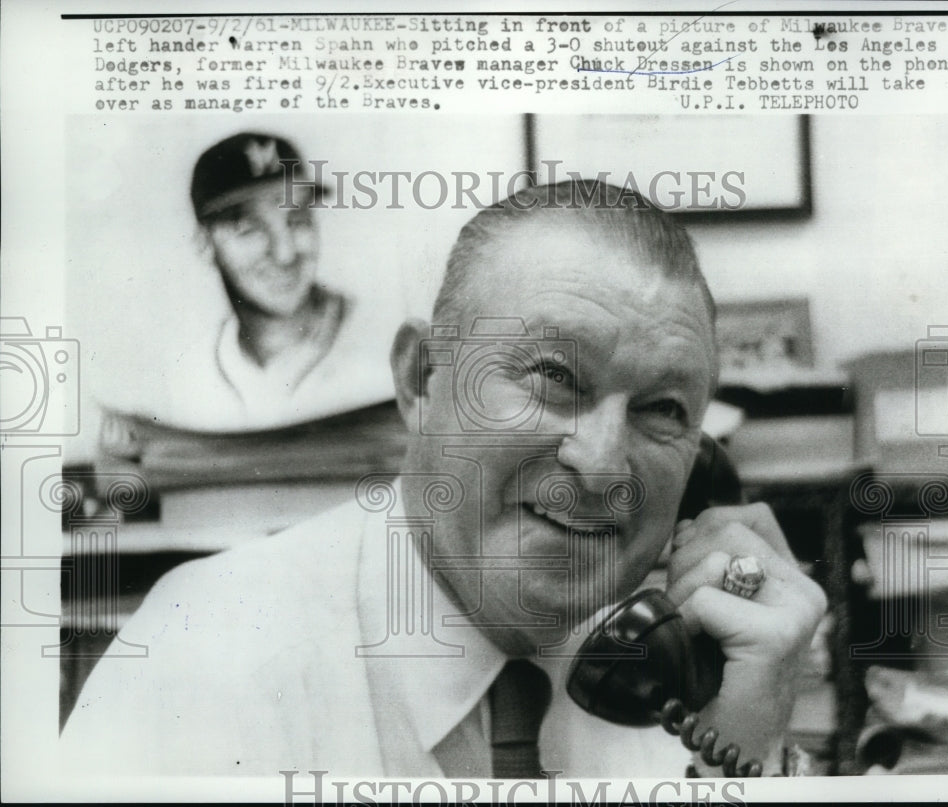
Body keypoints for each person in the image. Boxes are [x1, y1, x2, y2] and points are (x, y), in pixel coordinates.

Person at [61, 181, 826, 779]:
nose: (602, 464)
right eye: (555, 375)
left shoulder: (682, 676)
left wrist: (745, 758)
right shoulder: (204, 653)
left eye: (662, 409)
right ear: (422, 381)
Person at [184, 131, 388, 428]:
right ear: (205, 244)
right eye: (249, 228)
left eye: (297, 221)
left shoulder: (381, 343)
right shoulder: (192, 375)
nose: (284, 254)